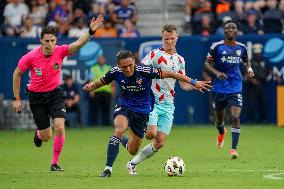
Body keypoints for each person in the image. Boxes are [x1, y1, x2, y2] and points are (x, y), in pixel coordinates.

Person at [83, 50, 211, 177]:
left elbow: (172, 74)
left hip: (142, 112)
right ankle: (108, 169)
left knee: (132, 150)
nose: (127, 69)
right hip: (124, 106)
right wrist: (91, 85)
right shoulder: (115, 72)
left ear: (134, 62)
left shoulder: (144, 70)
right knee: (119, 130)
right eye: (124, 67)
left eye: (130, 65)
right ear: (118, 66)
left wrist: (194, 82)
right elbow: (101, 81)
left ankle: (122, 139)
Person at [12, 15, 104, 171]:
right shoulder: (31, 56)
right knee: (46, 136)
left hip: (55, 93)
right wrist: (17, 98)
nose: (50, 44)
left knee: (60, 127)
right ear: (41, 41)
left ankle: (54, 163)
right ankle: (39, 134)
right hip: (37, 96)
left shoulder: (60, 51)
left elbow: (79, 43)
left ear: (56, 40)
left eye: (52, 40)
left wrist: (90, 31)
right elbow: (17, 73)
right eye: (47, 41)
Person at [126, 24, 205, 175]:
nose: (169, 41)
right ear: (162, 39)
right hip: (151, 101)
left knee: (160, 141)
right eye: (166, 39)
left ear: (177, 38)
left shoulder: (180, 60)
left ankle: (132, 163)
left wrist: (194, 86)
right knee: (150, 134)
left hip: (168, 104)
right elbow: (140, 70)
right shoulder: (155, 54)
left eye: (172, 38)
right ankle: (135, 123)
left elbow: (182, 84)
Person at [204, 20, 254, 159]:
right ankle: (221, 132)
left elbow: (246, 59)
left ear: (237, 31)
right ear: (224, 31)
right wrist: (216, 73)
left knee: (235, 116)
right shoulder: (217, 46)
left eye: (233, 28)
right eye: (228, 28)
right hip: (219, 87)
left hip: (235, 87)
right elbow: (207, 64)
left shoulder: (242, 47)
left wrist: (249, 69)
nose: (231, 29)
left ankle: (233, 149)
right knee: (219, 120)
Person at [89, 55, 115, 126]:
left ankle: (106, 124)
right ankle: (97, 124)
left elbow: (112, 81)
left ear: (104, 60)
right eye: (99, 59)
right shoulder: (93, 68)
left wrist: (113, 89)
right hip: (97, 92)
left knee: (107, 109)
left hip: (107, 92)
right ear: (97, 60)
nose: (101, 60)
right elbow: (90, 80)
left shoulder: (108, 68)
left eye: (102, 59)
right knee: (97, 109)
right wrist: (91, 91)